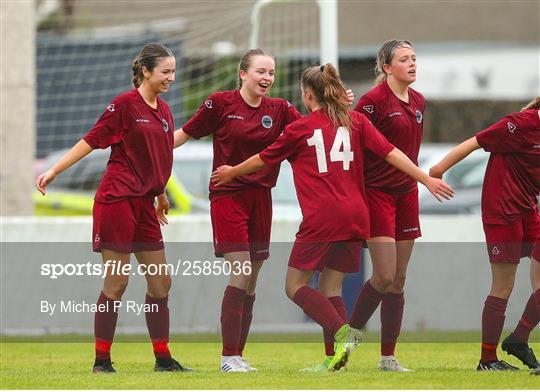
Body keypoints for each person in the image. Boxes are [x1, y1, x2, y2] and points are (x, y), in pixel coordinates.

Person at [210, 63, 454, 372]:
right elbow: (391, 152)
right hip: (357, 215)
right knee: (331, 287)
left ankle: (344, 333)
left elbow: (263, 158)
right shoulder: (357, 122)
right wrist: (425, 179)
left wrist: (233, 171)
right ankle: (333, 359)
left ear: (308, 94)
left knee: (294, 286)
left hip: (322, 219)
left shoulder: (300, 129)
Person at [159, 49, 354, 372]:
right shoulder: (220, 103)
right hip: (228, 196)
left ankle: (238, 355)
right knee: (242, 270)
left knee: (252, 281)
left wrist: (338, 104)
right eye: (261, 71)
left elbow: (315, 129)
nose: (267, 78)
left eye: (272, 73)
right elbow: (184, 134)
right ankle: (227, 358)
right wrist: (152, 146)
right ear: (243, 74)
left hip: (261, 198)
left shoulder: (279, 109)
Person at [36, 43, 191, 373]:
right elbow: (90, 140)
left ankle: (163, 359)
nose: (171, 78)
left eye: (174, 72)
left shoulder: (164, 110)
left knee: (161, 282)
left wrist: (161, 195)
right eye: (165, 71)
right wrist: (53, 170)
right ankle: (101, 361)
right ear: (146, 71)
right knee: (117, 283)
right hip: (116, 201)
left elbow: (158, 156)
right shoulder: (123, 105)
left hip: (145, 205)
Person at [430, 97, 540, 372]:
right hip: (502, 211)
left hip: (528, 210)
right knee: (503, 285)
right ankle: (488, 359)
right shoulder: (519, 124)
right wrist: (437, 170)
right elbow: (475, 141)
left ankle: (518, 338)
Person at [347, 39, 425, 372]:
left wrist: (419, 179)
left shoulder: (419, 101)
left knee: (399, 279)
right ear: (386, 67)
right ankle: (346, 343)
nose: (412, 63)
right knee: (383, 275)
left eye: (414, 58)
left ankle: (388, 358)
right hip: (377, 194)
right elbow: (357, 143)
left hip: (406, 195)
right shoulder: (373, 101)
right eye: (404, 59)